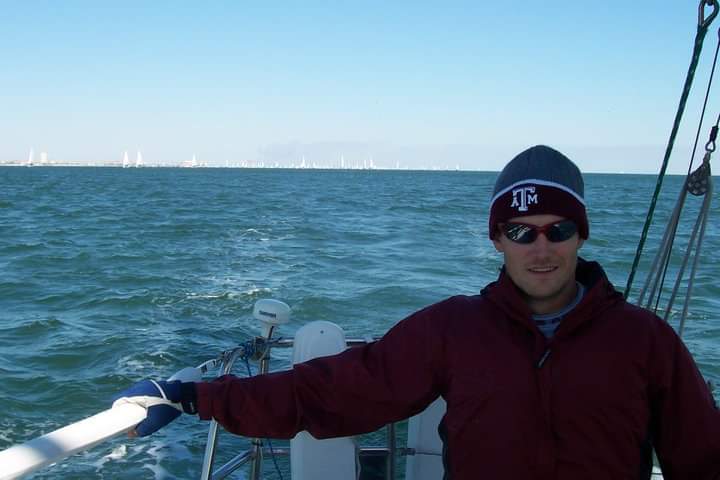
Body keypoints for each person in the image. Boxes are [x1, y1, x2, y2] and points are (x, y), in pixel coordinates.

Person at [114, 145, 720, 479]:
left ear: (581, 235)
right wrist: (193, 397)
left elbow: (701, 457)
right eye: (520, 230)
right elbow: (332, 392)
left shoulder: (645, 341)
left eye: (557, 229)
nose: (541, 248)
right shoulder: (455, 330)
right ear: (497, 239)